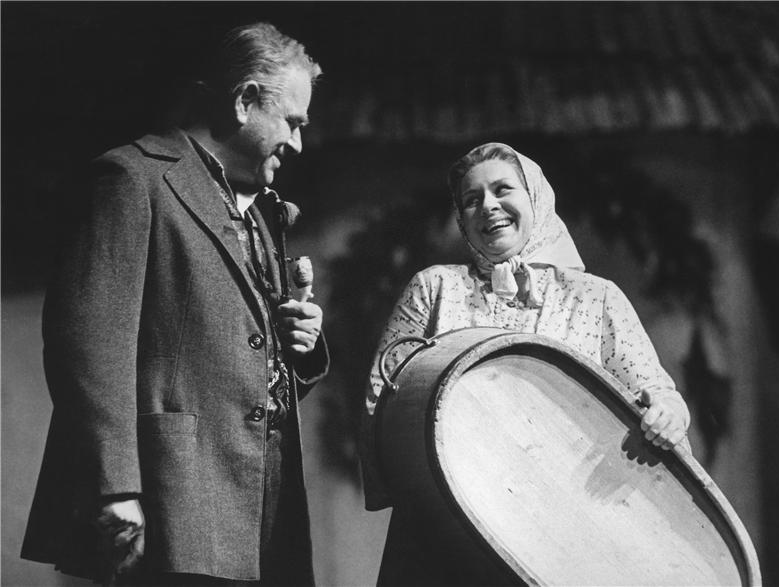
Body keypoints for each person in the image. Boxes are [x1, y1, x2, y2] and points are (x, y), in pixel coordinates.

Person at [21, 21, 328, 587]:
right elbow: (89, 344)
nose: (298, 143)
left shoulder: (256, 209)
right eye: (292, 122)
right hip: (174, 501)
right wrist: (115, 486)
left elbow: (237, 364)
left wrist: (297, 345)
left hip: (262, 503)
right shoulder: (132, 177)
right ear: (244, 101)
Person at [360, 142, 691, 585]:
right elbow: (383, 401)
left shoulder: (596, 297)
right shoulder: (435, 288)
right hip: (447, 528)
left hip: (562, 530)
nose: (488, 206)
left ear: (535, 198)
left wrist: (668, 413)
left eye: (502, 190)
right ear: (461, 219)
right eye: (472, 199)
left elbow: (656, 391)